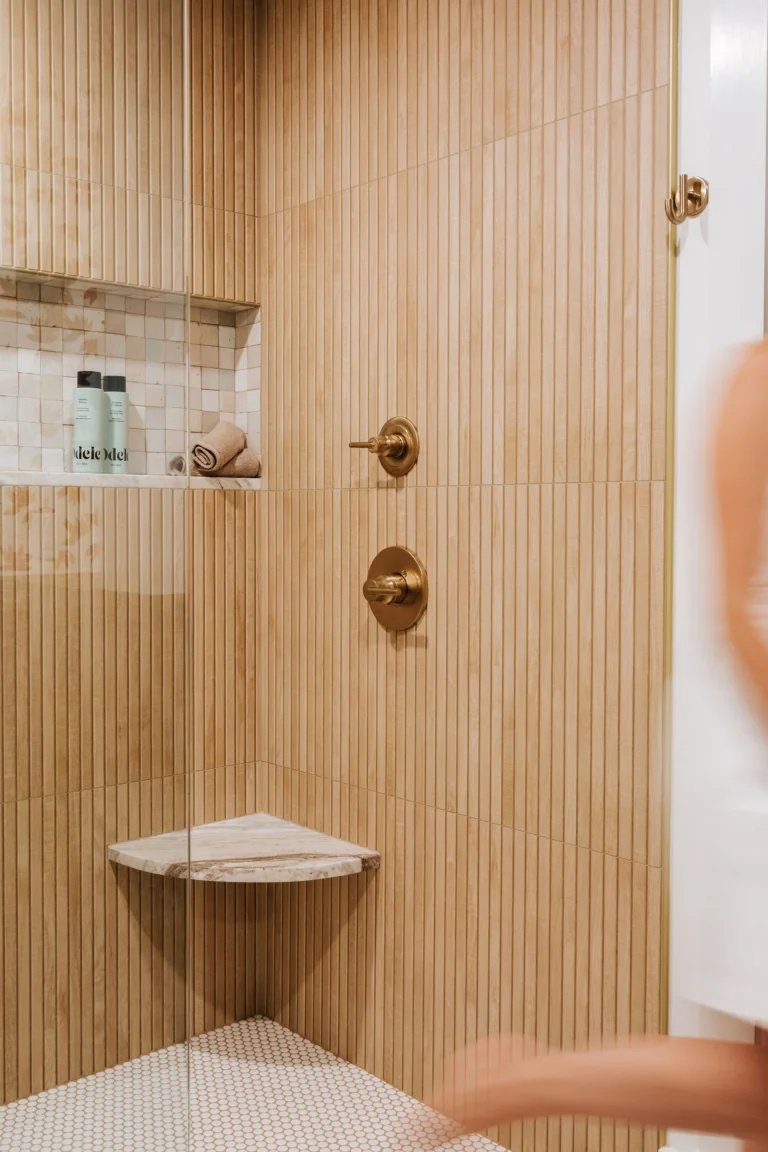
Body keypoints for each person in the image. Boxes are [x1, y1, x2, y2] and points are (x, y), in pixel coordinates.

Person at [406, 339, 768, 1150]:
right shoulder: (761, 378)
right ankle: (524, 1080)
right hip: (757, 748)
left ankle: (524, 1079)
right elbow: (736, 608)